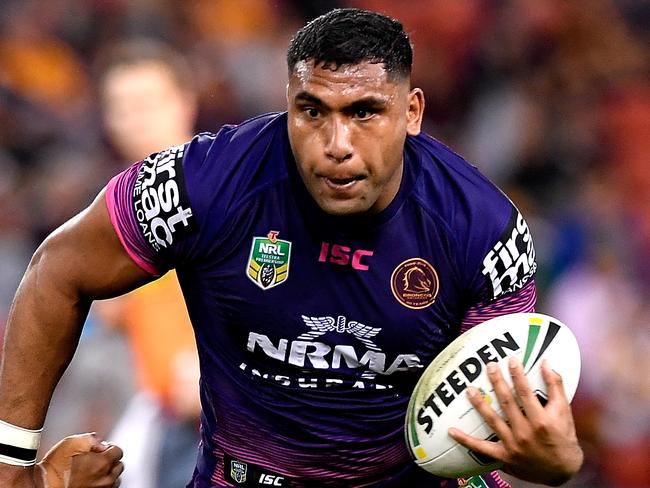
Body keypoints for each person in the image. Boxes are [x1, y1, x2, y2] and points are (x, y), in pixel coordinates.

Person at [0, 8, 583, 488]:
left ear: (411, 113)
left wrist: (556, 466)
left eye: (364, 113)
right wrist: (10, 461)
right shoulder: (203, 183)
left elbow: (498, 418)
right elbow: (57, 269)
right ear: (287, 105)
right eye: (312, 112)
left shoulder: (482, 227)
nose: (337, 144)